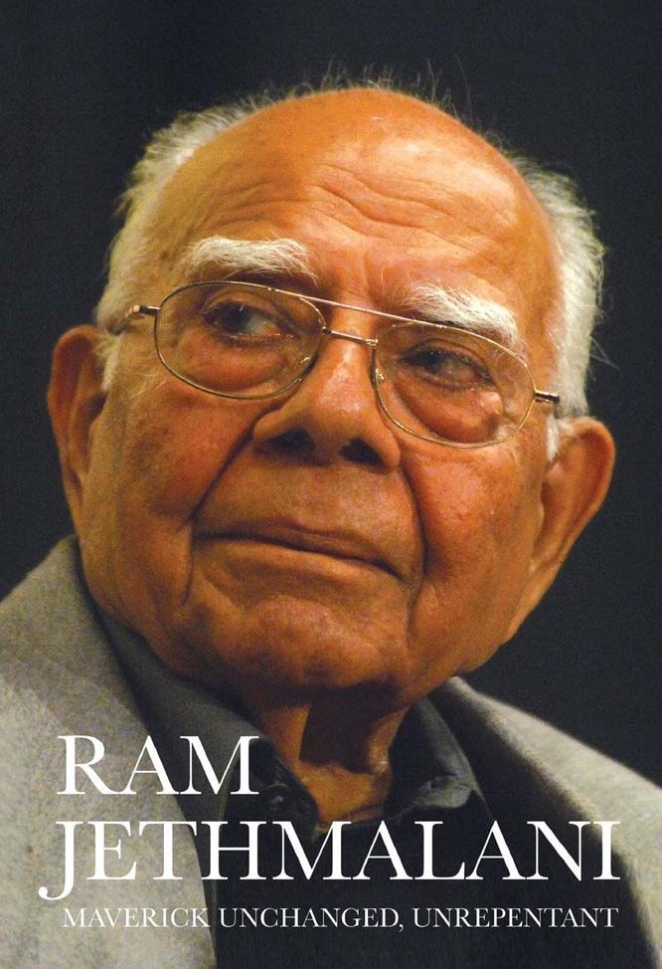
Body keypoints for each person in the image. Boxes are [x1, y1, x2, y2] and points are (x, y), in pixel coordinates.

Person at [1, 84, 659, 968]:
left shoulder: (635, 886)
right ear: (87, 418)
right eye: (244, 319)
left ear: (551, 517)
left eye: (443, 362)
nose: (334, 410)